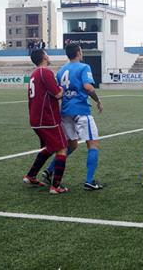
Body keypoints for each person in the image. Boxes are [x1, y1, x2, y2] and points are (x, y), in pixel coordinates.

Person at [43, 43, 104, 191]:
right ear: (78, 52)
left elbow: (57, 91)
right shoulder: (84, 67)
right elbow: (88, 87)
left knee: (71, 145)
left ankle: (49, 171)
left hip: (65, 112)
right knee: (93, 144)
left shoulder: (62, 70)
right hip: (81, 110)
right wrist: (98, 100)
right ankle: (89, 181)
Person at [23, 49, 69, 194]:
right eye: (47, 54)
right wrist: (62, 88)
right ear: (43, 57)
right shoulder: (45, 72)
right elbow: (57, 94)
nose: (49, 56)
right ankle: (56, 186)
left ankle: (30, 175)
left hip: (36, 118)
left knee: (50, 147)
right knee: (62, 148)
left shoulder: (34, 73)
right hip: (47, 118)